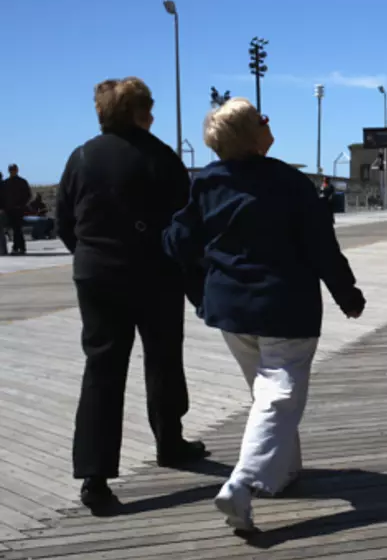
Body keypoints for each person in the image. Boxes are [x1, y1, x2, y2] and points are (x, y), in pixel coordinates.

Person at [163, 98, 365, 531]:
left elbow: (178, 242)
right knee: (279, 394)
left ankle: (283, 472)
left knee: (268, 396)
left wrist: (202, 281)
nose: (269, 122)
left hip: (231, 311)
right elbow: (321, 247)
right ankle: (244, 481)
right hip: (283, 307)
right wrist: (347, 294)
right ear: (251, 135)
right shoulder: (290, 183)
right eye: (262, 119)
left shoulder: (207, 182)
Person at [55, 77, 207, 513]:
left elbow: (65, 221)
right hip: (155, 274)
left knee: (102, 368)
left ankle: (94, 475)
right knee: (162, 357)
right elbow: (186, 222)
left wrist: (91, 254)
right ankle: (169, 440)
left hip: (97, 275)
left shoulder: (80, 157)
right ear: (141, 113)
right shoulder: (160, 157)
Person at [5, 164, 32, 255]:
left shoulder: (22, 182)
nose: (12, 171)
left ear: (17, 170)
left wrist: (21, 205)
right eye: (11, 170)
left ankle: (18, 247)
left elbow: (28, 195)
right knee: (16, 229)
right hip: (9, 209)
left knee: (17, 228)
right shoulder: (6, 183)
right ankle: (19, 247)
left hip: (19, 210)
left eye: (14, 169)